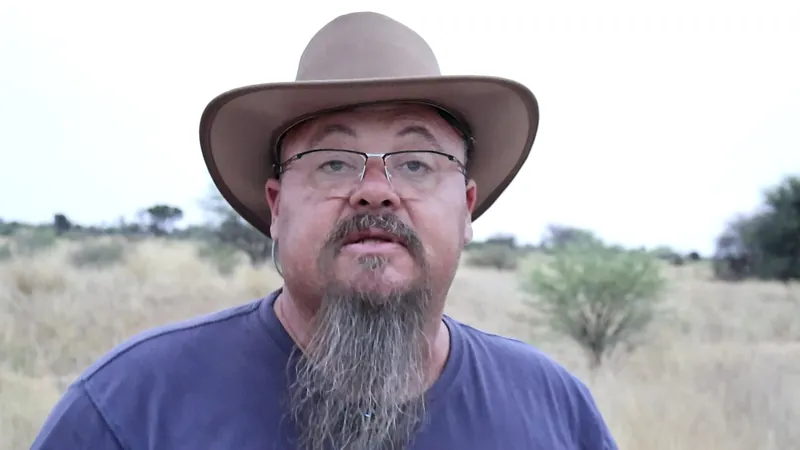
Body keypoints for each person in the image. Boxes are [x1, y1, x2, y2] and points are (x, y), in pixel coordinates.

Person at [30, 11, 618, 450]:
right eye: (334, 161)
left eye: (415, 163)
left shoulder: (556, 413)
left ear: (467, 208)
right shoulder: (130, 411)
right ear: (277, 207)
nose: (375, 188)